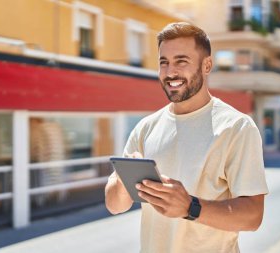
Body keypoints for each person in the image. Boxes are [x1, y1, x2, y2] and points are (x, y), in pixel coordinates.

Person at [105, 22, 269, 253]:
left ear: (207, 65)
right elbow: (114, 205)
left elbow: (252, 216)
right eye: (164, 62)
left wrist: (190, 208)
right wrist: (123, 180)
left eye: (181, 61)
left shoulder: (237, 127)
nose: (171, 72)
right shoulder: (146, 128)